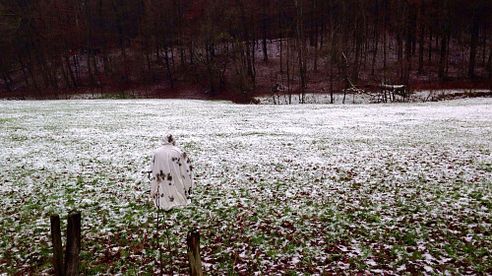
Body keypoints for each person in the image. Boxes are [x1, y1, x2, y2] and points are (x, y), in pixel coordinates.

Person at [149, 134, 194, 211]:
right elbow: (186, 170)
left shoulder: (156, 152)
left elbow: (152, 169)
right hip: (176, 182)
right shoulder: (178, 151)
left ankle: (163, 200)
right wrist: (188, 186)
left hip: (161, 182)